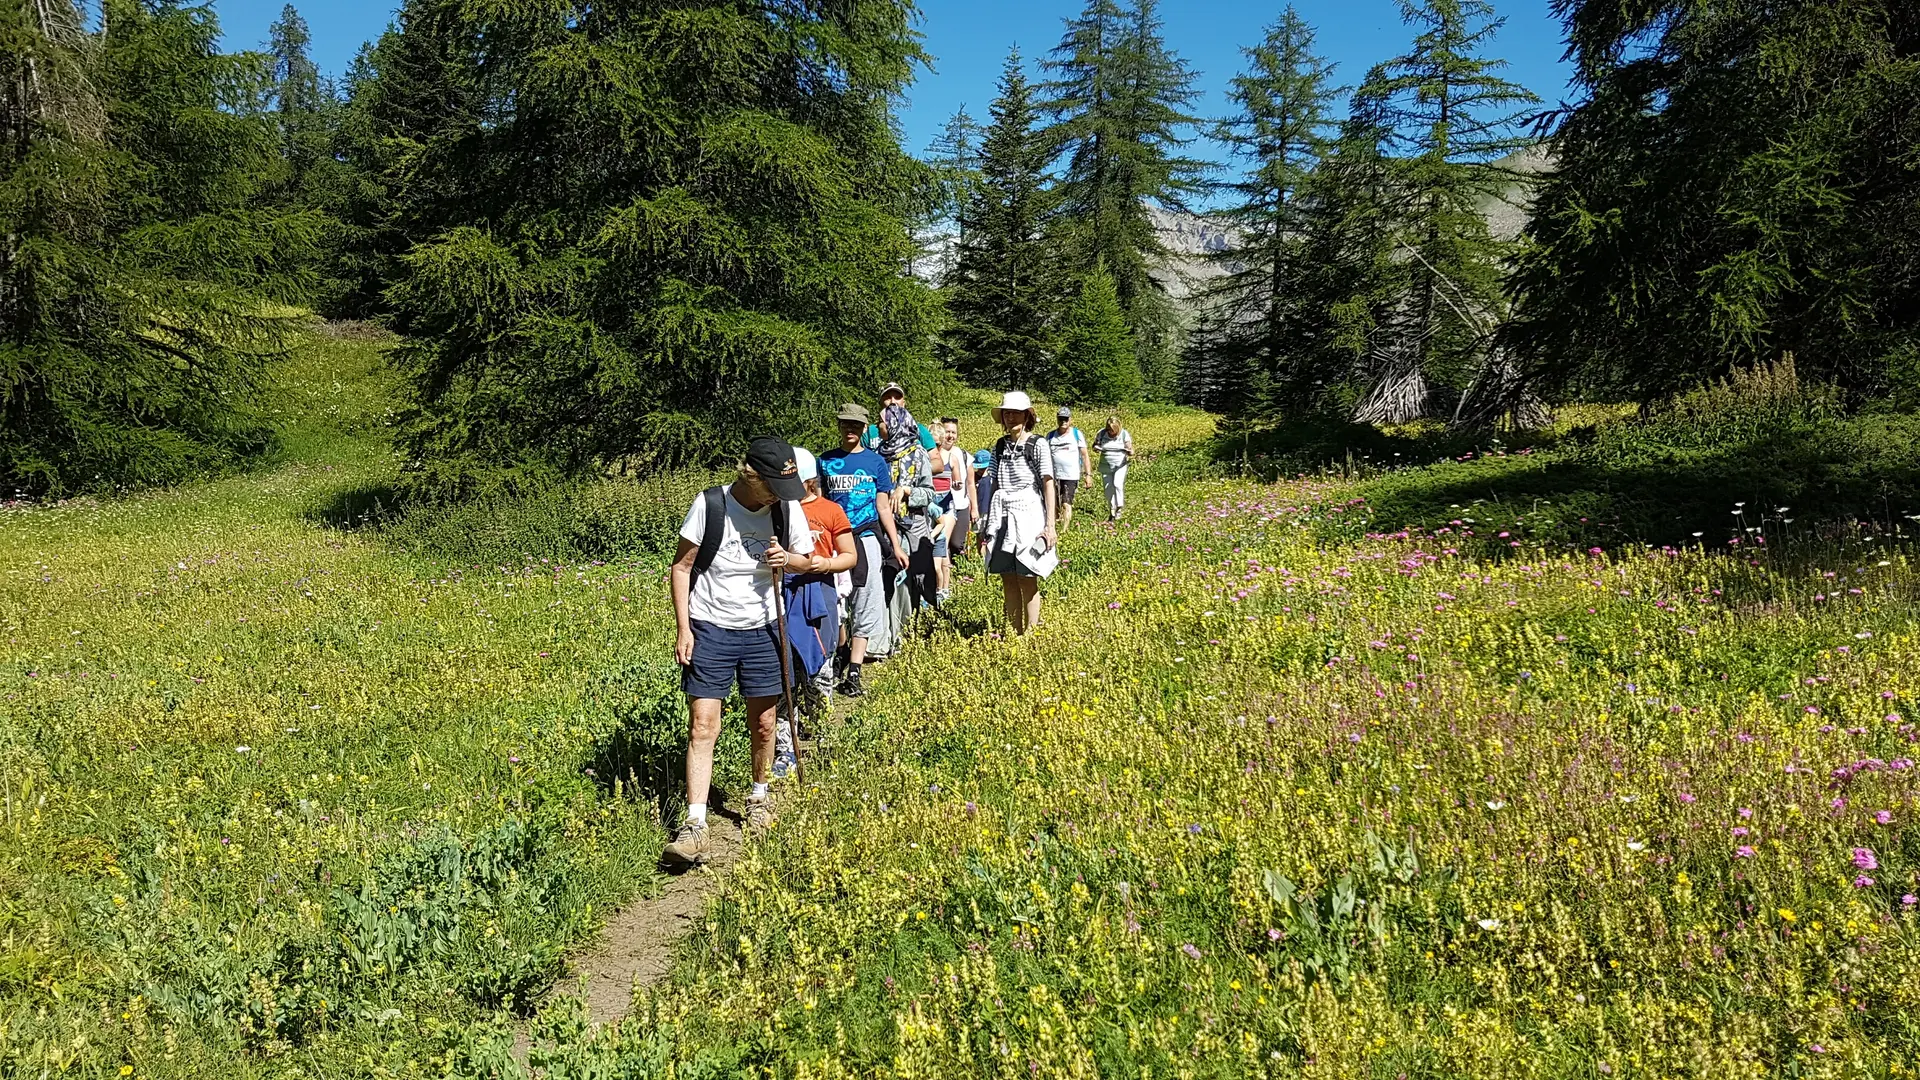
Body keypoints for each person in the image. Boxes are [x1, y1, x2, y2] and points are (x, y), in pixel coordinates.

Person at [664, 438, 814, 865]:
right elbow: (681, 567)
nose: (780, 497)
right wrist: (683, 627)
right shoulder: (711, 505)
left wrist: (788, 558)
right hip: (711, 625)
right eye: (774, 488)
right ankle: (695, 824)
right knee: (703, 723)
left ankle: (759, 796)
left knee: (765, 724)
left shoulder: (787, 509)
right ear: (752, 475)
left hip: (764, 626)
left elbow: (806, 559)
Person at [773, 447, 857, 780]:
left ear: (809, 481)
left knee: (820, 667)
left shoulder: (830, 510)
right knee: (784, 673)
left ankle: (822, 737)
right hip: (783, 593)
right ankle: (784, 747)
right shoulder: (774, 511)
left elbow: (849, 555)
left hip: (818, 592)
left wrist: (827, 563)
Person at [819, 404, 906, 698]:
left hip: (866, 535)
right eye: (845, 424)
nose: (850, 430)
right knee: (838, 601)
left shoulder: (875, 463)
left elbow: (883, 506)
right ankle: (841, 650)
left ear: (864, 427)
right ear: (839, 426)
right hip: (834, 540)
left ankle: (855, 669)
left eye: (856, 425)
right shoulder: (826, 461)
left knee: (867, 598)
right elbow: (820, 502)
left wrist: (895, 545)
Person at [979, 391, 1057, 633]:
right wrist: (985, 522)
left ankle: (1031, 634)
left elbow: (1047, 482)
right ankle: (1014, 631)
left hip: (1029, 514)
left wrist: (1050, 525)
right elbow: (993, 483)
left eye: (1015, 413)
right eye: (1007, 413)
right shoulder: (1000, 446)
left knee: (1027, 574)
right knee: (1007, 576)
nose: (1010, 417)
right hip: (1003, 514)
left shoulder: (1038, 444)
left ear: (1027, 415)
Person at [929, 418, 966, 602]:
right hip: (929, 502)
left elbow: (957, 481)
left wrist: (957, 483)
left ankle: (943, 588)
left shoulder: (951, 458)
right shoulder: (926, 457)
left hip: (945, 503)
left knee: (942, 543)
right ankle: (935, 586)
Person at [1045, 406, 1091, 532]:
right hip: (1053, 475)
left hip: (1071, 475)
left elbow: (1084, 455)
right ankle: (1053, 527)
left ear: (1070, 419)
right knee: (1054, 504)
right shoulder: (1050, 436)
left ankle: (1064, 530)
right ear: (1057, 419)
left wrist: (1088, 475)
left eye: (1066, 419)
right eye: (1061, 419)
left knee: (1066, 503)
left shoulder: (1076, 434)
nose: (1063, 422)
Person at [942, 418, 975, 570]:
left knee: (956, 543)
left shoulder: (963, 455)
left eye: (953, 432)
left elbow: (970, 483)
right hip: (941, 504)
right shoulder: (934, 454)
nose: (950, 436)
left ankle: (958, 573)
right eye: (947, 431)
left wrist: (974, 508)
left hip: (961, 504)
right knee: (942, 542)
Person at [1093, 415, 1135, 521]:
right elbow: (1094, 445)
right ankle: (1112, 509)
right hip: (1105, 465)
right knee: (1108, 488)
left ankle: (1119, 507)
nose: (1111, 432)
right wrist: (1097, 448)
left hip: (1120, 465)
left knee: (1117, 484)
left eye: (1113, 430)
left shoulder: (1124, 434)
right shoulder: (1101, 433)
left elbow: (1131, 450)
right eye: (1109, 430)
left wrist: (1129, 452)